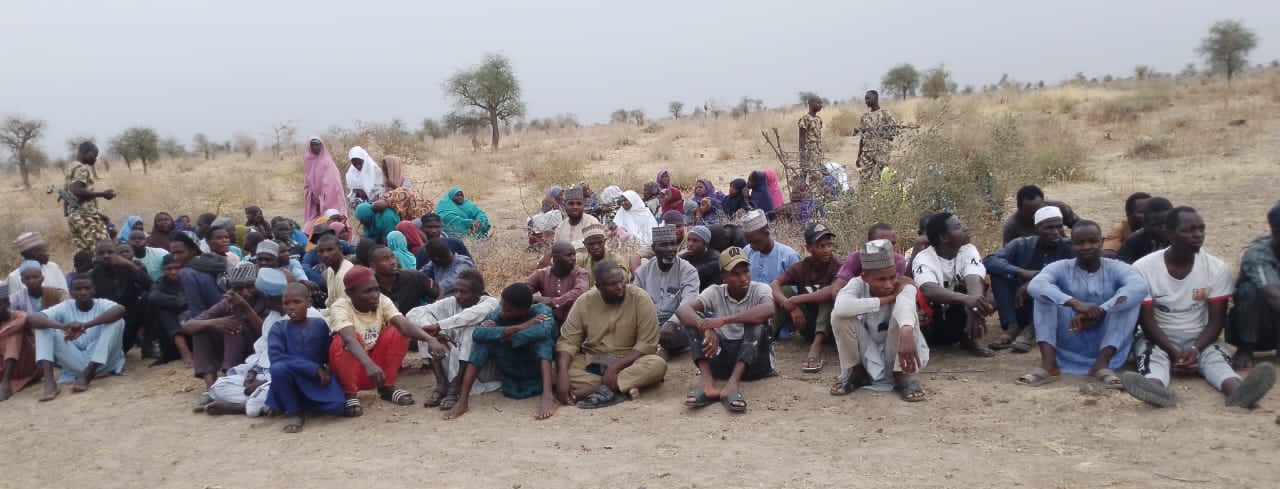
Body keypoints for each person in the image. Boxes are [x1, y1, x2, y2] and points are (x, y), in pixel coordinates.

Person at [1124, 207, 1277, 408]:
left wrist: (1195, 349)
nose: (1197, 235)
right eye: (1187, 230)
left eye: (1201, 229)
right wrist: (1173, 352)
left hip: (1201, 338)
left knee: (1217, 362)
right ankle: (1156, 390)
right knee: (1153, 359)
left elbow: (1216, 321)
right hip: (1158, 337)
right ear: (1169, 233)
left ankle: (1239, 392)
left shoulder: (1216, 268)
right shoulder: (1144, 268)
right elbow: (1147, 321)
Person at [1018, 221, 1147, 388]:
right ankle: (1049, 364)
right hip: (1069, 338)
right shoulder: (1059, 267)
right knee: (1043, 297)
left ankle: (1101, 365)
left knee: (1129, 301)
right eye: (1080, 243)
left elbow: (1139, 287)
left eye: (1093, 241)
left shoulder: (1117, 268)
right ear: (1072, 245)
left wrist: (1101, 310)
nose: (1087, 247)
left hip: (1107, 344)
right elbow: (1036, 285)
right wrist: (1075, 304)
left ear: (1101, 242)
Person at [328, 265, 446, 415]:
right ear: (350, 293)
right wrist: (369, 364)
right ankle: (349, 393)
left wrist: (430, 340)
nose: (375, 295)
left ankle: (387, 387)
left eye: (376, 289)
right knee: (343, 341)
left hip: (376, 372)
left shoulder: (382, 301)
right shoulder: (340, 307)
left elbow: (404, 324)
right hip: (356, 368)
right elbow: (349, 339)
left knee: (397, 330)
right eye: (367, 291)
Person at [555, 260, 667, 409]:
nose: (620, 287)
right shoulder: (584, 301)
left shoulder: (640, 298)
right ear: (599, 286)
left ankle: (593, 390)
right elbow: (568, 342)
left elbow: (647, 345)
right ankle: (620, 387)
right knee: (554, 369)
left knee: (657, 365)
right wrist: (562, 375)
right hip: (594, 359)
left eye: (622, 281)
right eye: (613, 284)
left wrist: (614, 369)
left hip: (628, 360)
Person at [677, 247, 774, 412]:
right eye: (735, 274)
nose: (743, 278)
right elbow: (682, 311)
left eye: (746, 271)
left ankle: (732, 386)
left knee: (756, 323)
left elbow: (768, 309)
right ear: (724, 276)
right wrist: (705, 328)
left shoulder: (760, 288)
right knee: (693, 323)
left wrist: (723, 320)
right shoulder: (715, 291)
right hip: (723, 361)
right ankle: (708, 385)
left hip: (755, 363)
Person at [829, 239, 927, 401]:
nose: (889, 284)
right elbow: (841, 307)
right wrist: (887, 299)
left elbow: (906, 306)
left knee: (905, 317)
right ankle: (857, 373)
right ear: (865, 277)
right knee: (838, 317)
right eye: (881, 279)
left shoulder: (903, 285)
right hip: (868, 351)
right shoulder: (857, 284)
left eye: (891, 277)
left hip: (898, 351)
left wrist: (907, 330)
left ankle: (901, 376)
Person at [445, 283, 559, 420]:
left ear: (525, 310)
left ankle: (548, 396)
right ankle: (463, 400)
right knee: (483, 343)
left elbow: (543, 330)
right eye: (502, 306)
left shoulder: (542, 311)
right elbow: (478, 334)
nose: (503, 312)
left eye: (509, 310)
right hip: (509, 371)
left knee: (543, 341)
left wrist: (502, 335)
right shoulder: (499, 312)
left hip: (535, 370)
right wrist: (521, 326)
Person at [198, 269, 304, 416]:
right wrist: (252, 373)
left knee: (272, 391)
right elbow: (261, 353)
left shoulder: (306, 318)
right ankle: (263, 403)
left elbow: (301, 363)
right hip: (264, 374)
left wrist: (264, 382)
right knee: (219, 386)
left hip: (285, 377)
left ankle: (240, 407)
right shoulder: (272, 318)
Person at [983, 206, 1074, 353]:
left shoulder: (1069, 247)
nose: (1055, 232)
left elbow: (1075, 276)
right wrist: (1021, 272)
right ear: (1037, 229)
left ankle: (1032, 329)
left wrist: (1035, 282)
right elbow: (989, 261)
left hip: (1052, 308)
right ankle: (1012, 327)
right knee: (999, 274)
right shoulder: (1021, 244)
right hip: (1021, 305)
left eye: (1058, 227)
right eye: (1049, 228)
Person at [407, 269, 499, 410]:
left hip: (482, 368)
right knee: (426, 333)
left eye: (463, 292)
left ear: (478, 293)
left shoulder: (490, 303)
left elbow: (470, 316)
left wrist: (439, 326)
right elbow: (414, 313)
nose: (457, 296)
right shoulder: (451, 302)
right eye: (455, 291)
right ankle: (441, 383)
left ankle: (455, 386)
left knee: (470, 329)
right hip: (454, 359)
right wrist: (435, 333)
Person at [264, 282, 347, 432]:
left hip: (315, 380)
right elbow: (277, 358)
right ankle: (294, 412)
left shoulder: (319, 325)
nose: (291, 307)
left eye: (297, 302)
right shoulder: (278, 329)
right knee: (277, 369)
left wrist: (327, 369)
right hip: (290, 379)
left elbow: (326, 353)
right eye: (286, 303)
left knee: (337, 407)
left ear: (308, 303)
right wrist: (312, 368)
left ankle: (307, 405)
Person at [28, 276, 127, 400]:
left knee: (118, 321)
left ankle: (88, 374)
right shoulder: (65, 306)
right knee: (43, 326)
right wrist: (63, 326)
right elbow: (33, 319)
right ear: (71, 292)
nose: (83, 292)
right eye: (78, 289)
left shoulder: (102, 304)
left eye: (87, 288)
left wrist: (86, 325)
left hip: (104, 363)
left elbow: (120, 309)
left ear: (94, 290)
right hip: (75, 362)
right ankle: (50, 382)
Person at [914, 213, 996, 356]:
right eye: (958, 227)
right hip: (932, 325)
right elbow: (929, 289)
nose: (965, 229)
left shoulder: (968, 250)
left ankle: (969, 339)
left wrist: (974, 306)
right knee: (964, 297)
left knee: (982, 295)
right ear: (944, 237)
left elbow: (974, 278)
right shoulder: (924, 258)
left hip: (955, 317)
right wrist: (968, 300)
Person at [182, 264, 265, 388]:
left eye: (250, 287)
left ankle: (229, 377)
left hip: (258, 354)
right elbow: (188, 326)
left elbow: (265, 334)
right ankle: (211, 388)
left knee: (234, 327)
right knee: (202, 329)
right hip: (234, 350)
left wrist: (245, 307)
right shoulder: (227, 303)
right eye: (238, 289)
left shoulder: (266, 300)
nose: (245, 293)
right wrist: (214, 323)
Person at [771, 222, 840, 373]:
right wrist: (790, 306)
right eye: (821, 246)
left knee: (827, 298)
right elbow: (775, 285)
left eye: (829, 245)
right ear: (809, 249)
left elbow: (832, 290)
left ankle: (816, 348)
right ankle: (767, 337)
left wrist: (797, 300)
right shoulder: (802, 267)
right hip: (806, 325)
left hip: (828, 329)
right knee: (785, 290)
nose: (827, 250)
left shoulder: (837, 266)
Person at [1228, 202, 1280, 370]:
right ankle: (1245, 348)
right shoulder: (1258, 253)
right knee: (1250, 290)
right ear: (1275, 231)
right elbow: (1274, 296)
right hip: (1259, 326)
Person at [633, 226, 699, 356]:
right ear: (654, 248)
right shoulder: (643, 271)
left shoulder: (688, 271)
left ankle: (655, 348)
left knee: (670, 335)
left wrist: (672, 322)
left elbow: (689, 302)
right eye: (664, 245)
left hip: (677, 322)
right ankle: (659, 349)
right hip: (650, 323)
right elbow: (635, 302)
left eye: (673, 244)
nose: (670, 249)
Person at [739, 210, 801, 338]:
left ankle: (765, 332)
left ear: (766, 233)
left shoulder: (788, 256)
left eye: (755, 241)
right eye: (749, 242)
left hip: (778, 308)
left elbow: (792, 293)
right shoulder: (747, 251)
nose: (752, 246)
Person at [90, 240, 151, 354]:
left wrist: (129, 264)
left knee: (149, 300)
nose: (106, 256)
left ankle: (148, 344)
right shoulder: (93, 275)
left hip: (129, 317)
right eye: (101, 253)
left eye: (110, 252)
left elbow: (150, 286)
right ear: (96, 256)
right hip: (106, 320)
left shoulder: (130, 268)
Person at [64, 141, 116, 254]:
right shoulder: (82, 168)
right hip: (85, 216)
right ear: (87, 153)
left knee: (85, 252)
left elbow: (69, 193)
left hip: (75, 215)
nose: (95, 159)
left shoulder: (71, 167)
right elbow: (76, 190)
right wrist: (103, 194)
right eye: (94, 155)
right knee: (103, 249)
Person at [525, 242, 590, 325]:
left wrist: (553, 302)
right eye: (568, 255)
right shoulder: (542, 274)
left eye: (574, 255)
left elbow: (581, 292)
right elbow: (523, 290)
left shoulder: (580, 273)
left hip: (574, 323)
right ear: (555, 258)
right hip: (548, 321)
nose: (573, 258)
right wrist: (533, 299)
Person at [832, 223, 906, 295]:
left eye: (892, 244)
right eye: (882, 244)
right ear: (869, 244)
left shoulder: (898, 261)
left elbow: (894, 291)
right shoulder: (856, 258)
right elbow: (837, 290)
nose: (888, 248)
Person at [147, 254, 190, 366]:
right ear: (163, 270)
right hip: (170, 334)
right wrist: (179, 301)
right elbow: (153, 296)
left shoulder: (189, 278)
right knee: (164, 311)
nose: (173, 272)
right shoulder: (160, 283)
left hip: (192, 324)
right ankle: (184, 352)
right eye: (169, 269)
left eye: (177, 268)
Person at [0, 283, 40, 401]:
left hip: (25, 365)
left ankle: (6, 383)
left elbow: (22, 321)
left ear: (7, 303)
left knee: (14, 334)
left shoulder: (19, 316)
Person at [1001, 185, 1078, 245]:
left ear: (1044, 203)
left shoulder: (1058, 208)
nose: (1037, 215)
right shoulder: (1012, 226)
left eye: (1039, 209)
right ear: (1019, 208)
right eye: (1031, 212)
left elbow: (1079, 225)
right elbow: (1008, 255)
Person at [302, 137, 349, 234]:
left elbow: (332, 185)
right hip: (314, 203)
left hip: (329, 200)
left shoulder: (327, 162)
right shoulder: (308, 160)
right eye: (313, 145)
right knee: (310, 229)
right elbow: (307, 182)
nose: (315, 147)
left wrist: (322, 200)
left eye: (318, 145)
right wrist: (313, 197)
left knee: (333, 225)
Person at [853, 90, 900, 184]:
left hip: (882, 151)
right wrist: (859, 155)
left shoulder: (885, 114)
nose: (866, 101)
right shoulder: (864, 117)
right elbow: (862, 138)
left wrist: (882, 133)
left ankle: (880, 197)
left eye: (868, 98)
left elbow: (894, 132)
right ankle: (863, 198)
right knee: (864, 178)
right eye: (865, 99)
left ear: (876, 98)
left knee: (882, 177)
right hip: (867, 153)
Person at [371, 246, 434, 314]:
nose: (392, 262)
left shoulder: (414, 276)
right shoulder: (370, 287)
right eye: (385, 259)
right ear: (373, 266)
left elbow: (438, 292)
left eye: (393, 257)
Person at [1117, 197, 1174, 264]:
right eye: (1156, 225)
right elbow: (1122, 267)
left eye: (1167, 223)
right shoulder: (1135, 241)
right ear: (1145, 224)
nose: (1163, 228)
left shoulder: (1179, 239)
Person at [378, 156, 432, 220]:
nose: (384, 171)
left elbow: (407, 196)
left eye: (386, 168)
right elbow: (376, 197)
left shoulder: (405, 181)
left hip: (404, 214)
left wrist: (393, 185)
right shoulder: (380, 180)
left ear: (394, 168)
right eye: (383, 168)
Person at [1103, 192, 1152, 258]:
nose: (1148, 215)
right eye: (1141, 212)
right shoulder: (1120, 229)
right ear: (1128, 214)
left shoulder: (1158, 228)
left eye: (1150, 211)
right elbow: (1108, 254)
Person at [797, 96, 825, 198]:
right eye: (818, 103)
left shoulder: (818, 120)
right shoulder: (805, 119)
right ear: (810, 103)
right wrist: (802, 155)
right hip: (809, 152)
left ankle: (816, 197)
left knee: (817, 176)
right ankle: (813, 198)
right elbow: (801, 138)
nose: (820, 105)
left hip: (817, 153)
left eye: (821, 103)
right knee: (814, 176)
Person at [316, 235, 353, 308]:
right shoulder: (330, 270)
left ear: (340, 249)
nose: (325, 255)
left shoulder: (345, 274)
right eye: (321, 251)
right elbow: (330, 302)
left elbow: (345, 308)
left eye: (330, 250)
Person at [681, 225, 721, 291]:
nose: (690, 244)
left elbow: (693, 274)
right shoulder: (684, 257)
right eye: (688, 240)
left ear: (706, 244)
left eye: (695, 241)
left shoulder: (715, 259)